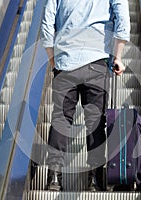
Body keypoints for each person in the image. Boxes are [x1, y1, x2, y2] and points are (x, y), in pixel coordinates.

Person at [40, 0, 130, 191]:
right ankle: (94, 179)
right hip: (96, 62)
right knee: (95, 121)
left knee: (61, 119)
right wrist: (118, 56)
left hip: (65, 61)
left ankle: (54, 177)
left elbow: (47, 20)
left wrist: (52, 57)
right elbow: (122, 15)